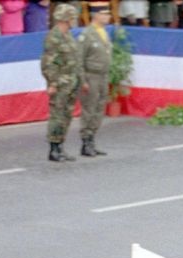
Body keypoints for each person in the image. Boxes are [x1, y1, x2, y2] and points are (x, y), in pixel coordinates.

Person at [41, 3, 81, 162]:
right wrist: (52, 83)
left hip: (70, 82)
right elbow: (48, 63)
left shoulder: (68, 35)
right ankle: (53, 148)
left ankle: (61, 146)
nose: (74, 20)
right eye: (72, 17)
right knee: (57, 116)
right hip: (60, 83)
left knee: (67, 115)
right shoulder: (53, 37)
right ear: (65, 19)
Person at [77, 1, 111, 157]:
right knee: (89, 109)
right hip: (91, 76)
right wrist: (82, 80)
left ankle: (92, 139)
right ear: (96, 15)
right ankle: (86, 142)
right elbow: (79, 59)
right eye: (105, 13)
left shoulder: (103, 32)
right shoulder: (87, 35)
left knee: (99, 108)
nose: (108, 16)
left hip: (103, 76)